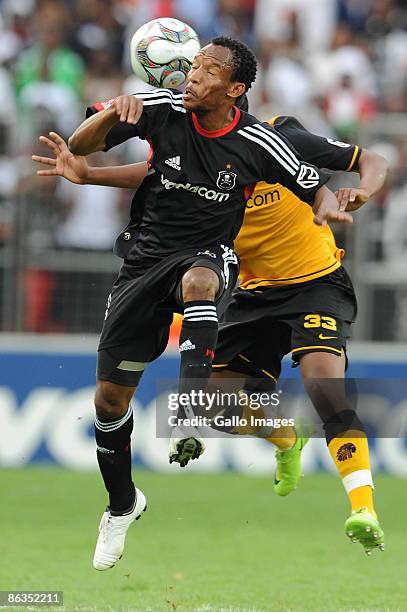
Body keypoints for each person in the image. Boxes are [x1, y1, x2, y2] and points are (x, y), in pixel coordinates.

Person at [37, 36, 351, 571]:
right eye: (194, 66)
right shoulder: (160, 110)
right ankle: (122, 504)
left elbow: (312, 183)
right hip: (143, 263)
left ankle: (190, 406)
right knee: (109, 404)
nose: (193, 76)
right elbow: (83, 143)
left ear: (235, 89)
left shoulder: (259, 142)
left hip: (209, 256)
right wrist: (112, 113)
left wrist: (327, 206)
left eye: (207, 69)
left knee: (202, 280)